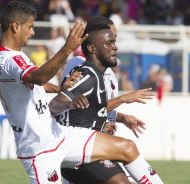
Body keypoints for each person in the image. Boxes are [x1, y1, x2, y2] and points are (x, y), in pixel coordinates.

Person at [0, 1, 164, 184]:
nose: (32, 32)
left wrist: (61, 89)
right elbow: (36, 79)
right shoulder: (11, 59)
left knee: (126, 148)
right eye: (30, 27)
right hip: (39, 149)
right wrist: (67, 49)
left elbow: (29, 82)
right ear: (15, 26)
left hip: (58, 133)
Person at [48, 16, 164, 184]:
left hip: (93, 149)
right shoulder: (85, 73)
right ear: (92, 48)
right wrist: (71, 102)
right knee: (128, 149)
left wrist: (110, 120)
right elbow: (55, 105)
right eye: (109, 42)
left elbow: (93, 107)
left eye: (114, 41)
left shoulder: (102, 75)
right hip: (78, 154)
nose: (115, 47)